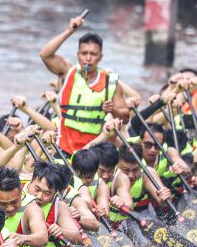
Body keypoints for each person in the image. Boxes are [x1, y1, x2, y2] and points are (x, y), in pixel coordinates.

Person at [38, 15, 140, 154]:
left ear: (101, 57)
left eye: (93, 54)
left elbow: (125, 117)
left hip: (94, 151)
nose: (88, 58)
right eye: (84, 53)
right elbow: (45, 55)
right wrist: (70, 30)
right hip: (64, 148)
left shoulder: (110, 82)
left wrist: (112, 110)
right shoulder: (67, 72)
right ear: (78, 54)